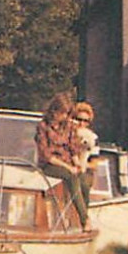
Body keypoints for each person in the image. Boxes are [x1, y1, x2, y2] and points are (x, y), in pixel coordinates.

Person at [34, 92, 90, 229]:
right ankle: (85, 220)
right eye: (63, 113)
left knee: (84, 182)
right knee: (70, 176)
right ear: (55, 111)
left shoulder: (69, 126)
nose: (65, 116)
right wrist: (68, 167)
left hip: (67, 162)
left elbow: (73, 146)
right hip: (50, 164)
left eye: (67, 113)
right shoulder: (43, 127)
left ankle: (80, 215)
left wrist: (77, 162)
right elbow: (46, 154)